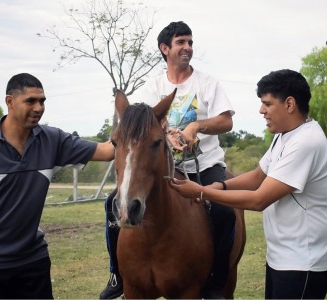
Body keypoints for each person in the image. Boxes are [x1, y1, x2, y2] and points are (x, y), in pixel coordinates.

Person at [170, 69, 327, 299]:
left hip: (303, 262)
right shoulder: (285, 135)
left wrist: (201, 192)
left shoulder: (306, 142)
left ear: (289, 104)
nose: (261, 110)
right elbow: (259, 175)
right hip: (282, 257)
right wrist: (222, 185)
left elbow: (259, 199)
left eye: (267, 104)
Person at [100, 21, 236, 299]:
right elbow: (145, 126)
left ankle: (215, 283)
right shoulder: (153, 86)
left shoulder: (207, 83)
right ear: (165, 49)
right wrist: (166, 133)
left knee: (224, 210)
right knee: (110, 204)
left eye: (190, 42)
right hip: (165, 167)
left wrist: (196, 127)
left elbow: (226, 121)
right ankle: (117, 273)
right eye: (181, 43)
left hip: (205, 165)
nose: (187, 48)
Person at [0, 73, 114, 299]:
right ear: (9, 101)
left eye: (42, 101)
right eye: (31, 101)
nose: (39, 107)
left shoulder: (52, 140)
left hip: (33, 260)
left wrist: (149, 125)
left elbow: (107, 151)